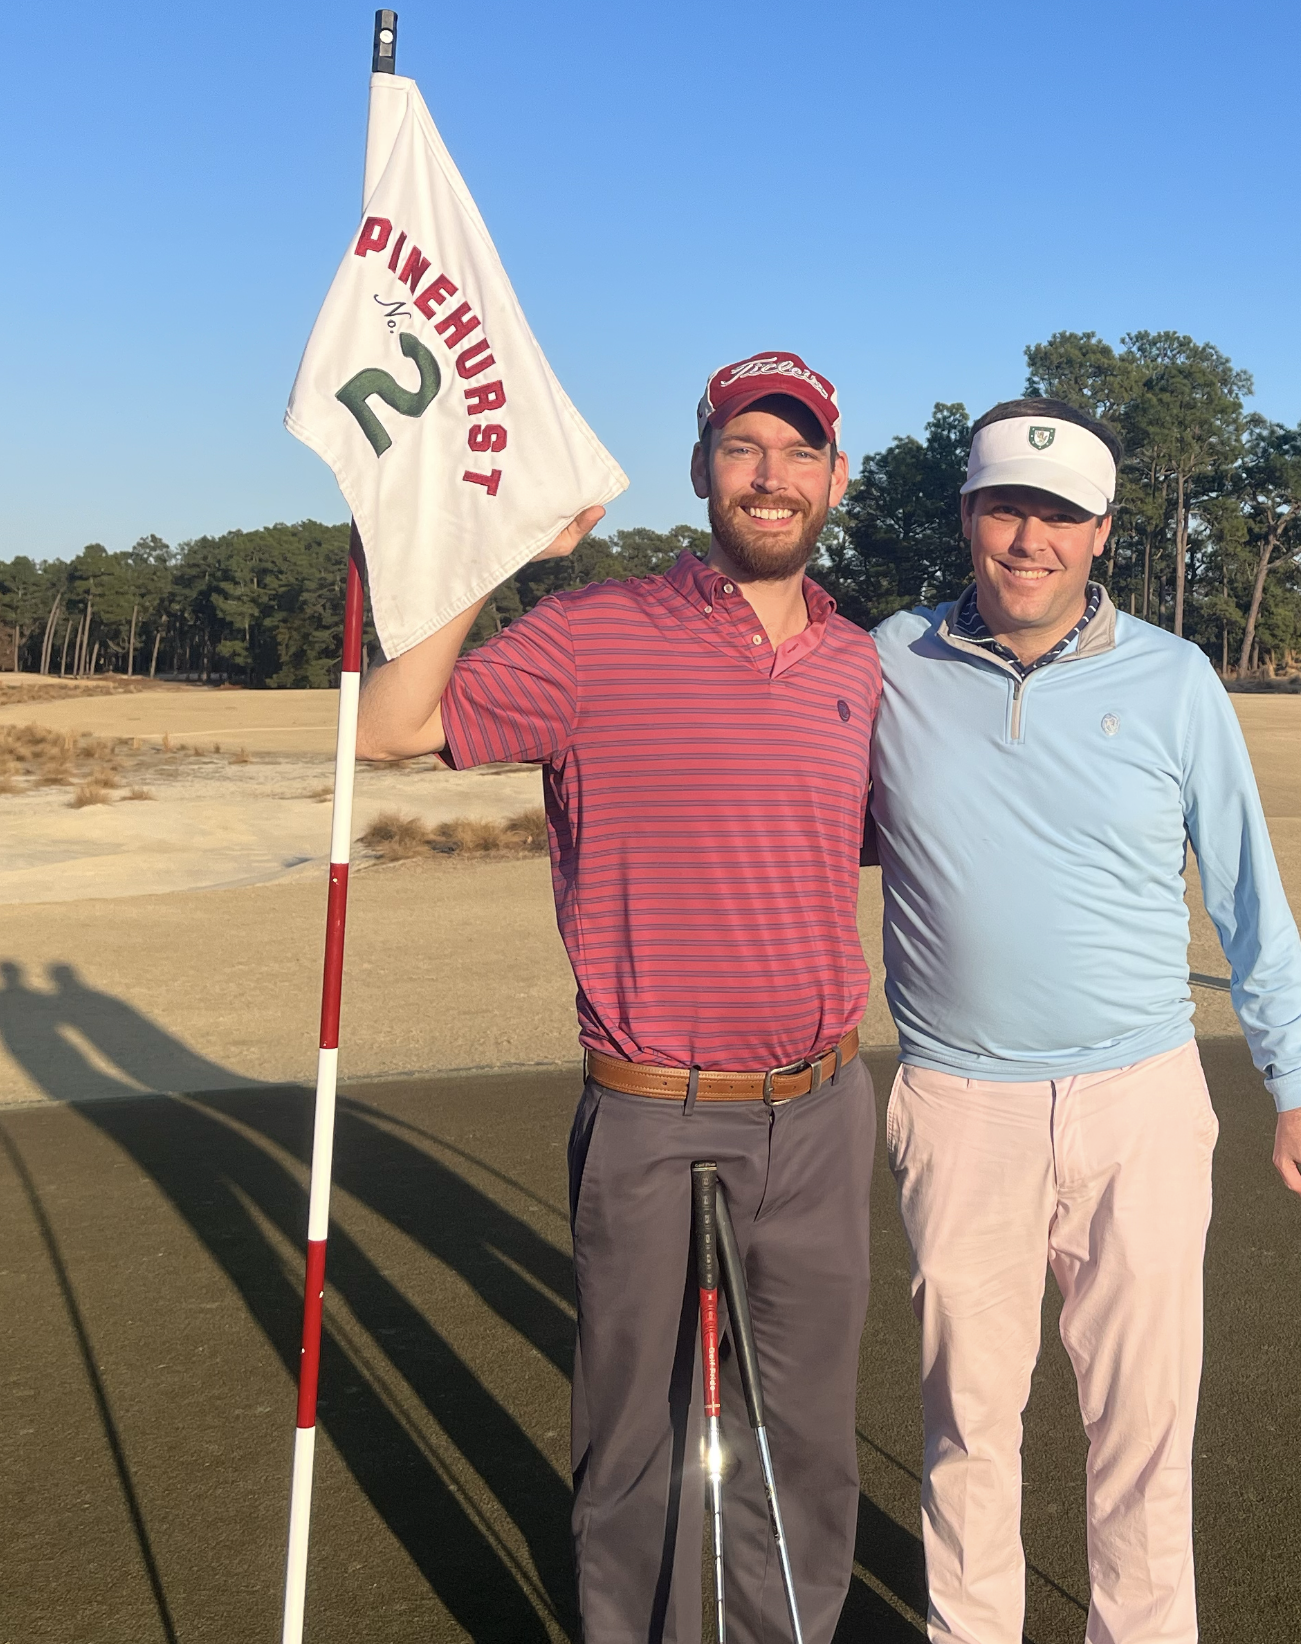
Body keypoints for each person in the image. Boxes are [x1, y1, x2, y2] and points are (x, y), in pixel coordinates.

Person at [355, 350, 879, 1644]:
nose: (772, 477)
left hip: (821, 1110)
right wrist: (493, 547)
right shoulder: (592, 635)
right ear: (704, 468)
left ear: (835, 479)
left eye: (798, 452)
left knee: (803, 1443)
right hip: (654, 1107)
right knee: (637, 1452)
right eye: (744, 450)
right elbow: (390, 724)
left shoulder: (862, 666)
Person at [865, 396, 1301, 1644]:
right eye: (1003, 506)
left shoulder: (1173, 678)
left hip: (1135, 1098)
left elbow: (1246, 890)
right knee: (967, 1425)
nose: (1027, 538)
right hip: (956, 1100)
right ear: (965, 515)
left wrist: (1297, 1087)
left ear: (1099, 532)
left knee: (1142, 1432)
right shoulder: (886, 660)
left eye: (1059, 515)